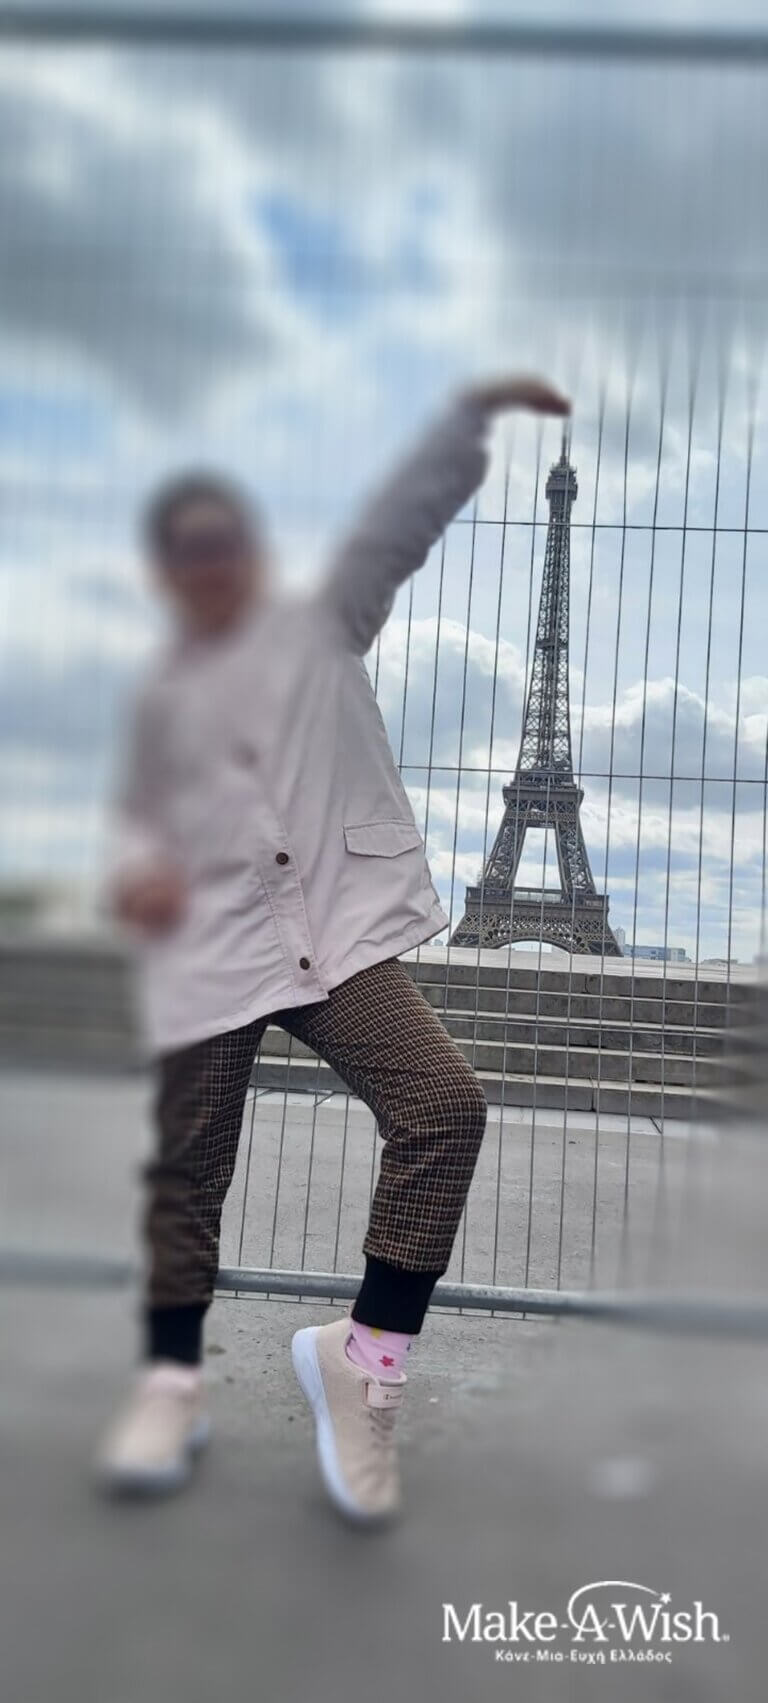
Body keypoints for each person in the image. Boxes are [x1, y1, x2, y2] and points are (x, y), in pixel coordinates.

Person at [97, 374, 570, 1521]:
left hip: (334, 942)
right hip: (213, 955)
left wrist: (464, 424)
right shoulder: (161, 698)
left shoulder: (320, 624)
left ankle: (367, 1363)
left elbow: (394, 526)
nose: (210, 562)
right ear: (168, 572)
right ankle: (170, 1384)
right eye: (188, 549)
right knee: (188, 1176)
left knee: (444, 1107)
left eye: (224, 541)